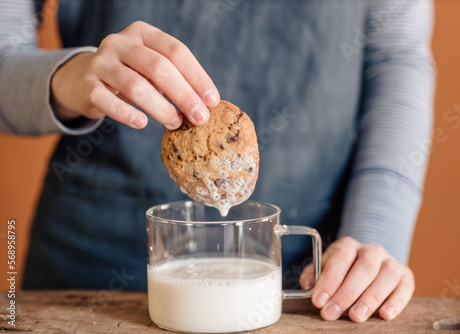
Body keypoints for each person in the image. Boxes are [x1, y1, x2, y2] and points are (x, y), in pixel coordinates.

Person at [0, 0, 435, 323]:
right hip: (84, 282)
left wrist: (375, 231)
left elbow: (396, 57)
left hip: (306, 287)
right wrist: (74, 74)